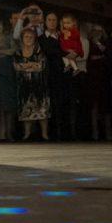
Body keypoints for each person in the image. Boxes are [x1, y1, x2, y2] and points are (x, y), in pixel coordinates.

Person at [41, 12, 76, 140]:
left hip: (66, 74)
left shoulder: (63, 35)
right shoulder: (41, 38)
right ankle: (55, 133)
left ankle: (67, 133)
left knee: (66, 103)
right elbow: (49, 51)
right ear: (45, 22)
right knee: (53, 104)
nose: (52, 22)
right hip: (51, 76)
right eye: (49, 20)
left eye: (54, 20)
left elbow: (73, 49)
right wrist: (66, 53)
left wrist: (71, 55)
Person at [16, 26, 50, 141]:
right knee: (26, 111)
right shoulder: (18, 52)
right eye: (26, 37)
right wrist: (32, 65)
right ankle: (27, 134)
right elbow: (16, 67)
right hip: (24, 86)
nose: (28, 39)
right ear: (22, 38)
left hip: (40, 85)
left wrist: (25, 66)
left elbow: (41, 67)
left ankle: (44, 135)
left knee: (42, 111)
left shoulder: (40, 52)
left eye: (31, 37)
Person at [0, 20, 19, 141]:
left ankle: (9, 132)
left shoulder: (8, 38)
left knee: (9, 104)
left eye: (0, 24)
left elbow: (13, 50)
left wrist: (0, 51)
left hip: (8, 72)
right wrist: (5, 53)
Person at [83, 23, 112, 141]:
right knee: (94, 104)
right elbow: (87, 57)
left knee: (105, 104)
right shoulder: (88, 42)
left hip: (104, 76)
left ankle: (108, 132)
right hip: (92, 77)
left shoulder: (106, 42)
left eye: (100, 30)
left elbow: (108, 55)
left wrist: (100, 55)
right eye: (95, 30)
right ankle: (95, 132)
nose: (97, 32)